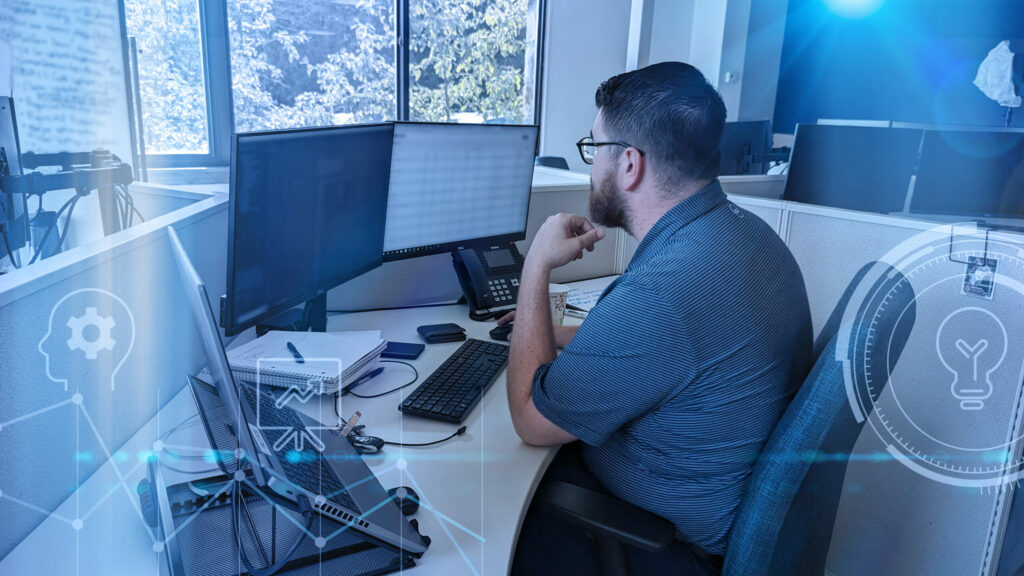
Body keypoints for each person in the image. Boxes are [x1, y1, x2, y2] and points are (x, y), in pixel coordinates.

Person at [506, 61, 814, 574]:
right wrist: (555, 333)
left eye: (594, 149)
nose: (591, 168)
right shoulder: (747, 235)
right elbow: (672, 351)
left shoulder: (660, 293)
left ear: (629, 163)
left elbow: (529, 420)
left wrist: (536, 264)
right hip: (711, 501)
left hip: (656, 544)